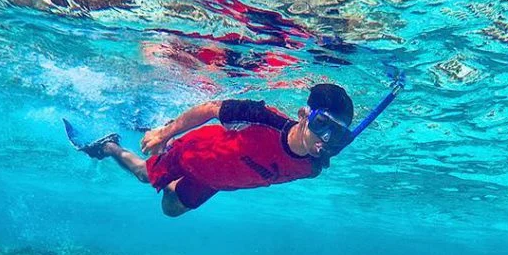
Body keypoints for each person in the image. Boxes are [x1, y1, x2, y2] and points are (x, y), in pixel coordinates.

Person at [65, 84, 354, 217]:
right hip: (194, 153)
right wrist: (165, 133)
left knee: (170, 210)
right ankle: (109, 146)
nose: (325, 139)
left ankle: (163, 161)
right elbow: (211, 108)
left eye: (336, 133)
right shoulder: (264, 118)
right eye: (320, 124)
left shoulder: (313, 167)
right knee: (143, 173)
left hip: (215, 182)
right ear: (304, 114)